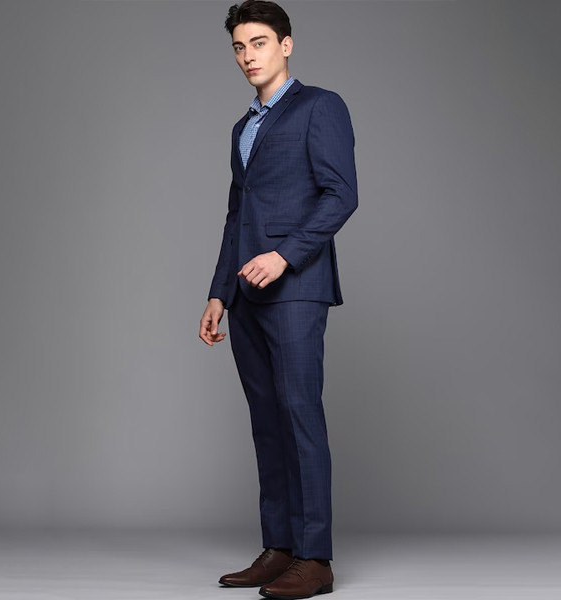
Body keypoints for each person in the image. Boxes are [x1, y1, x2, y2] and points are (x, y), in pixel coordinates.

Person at [198, 1, 357, 598]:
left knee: (299, 417)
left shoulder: (320, 106)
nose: (248, 56)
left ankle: (315, 559)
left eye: (259, 43)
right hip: (244, 296)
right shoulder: (242, 128)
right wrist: (218, 293)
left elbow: (341, 195)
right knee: (266, 424)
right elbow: (236, 215)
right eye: (239, 47)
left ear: (286, 45)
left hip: (296, 290)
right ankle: (280, 548)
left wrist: (284, 256)